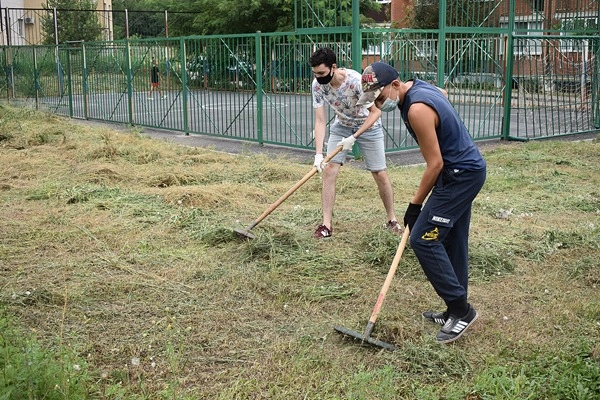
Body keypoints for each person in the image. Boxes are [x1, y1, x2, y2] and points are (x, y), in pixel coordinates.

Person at [357, 62, 487, 344]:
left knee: (423, 239)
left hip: (458, 175)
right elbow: (441, 92)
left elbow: (435, 163)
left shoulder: (416, 109)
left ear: (395, 84)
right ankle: (455, 306)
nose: (378, 104)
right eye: (374, 100)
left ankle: (461, 311)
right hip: (465, 170)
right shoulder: (419, 88)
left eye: (380, 98)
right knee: (451, 238)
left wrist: (415, 207)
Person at [309, 47, 401, 239]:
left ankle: (392, 220)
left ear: (333, 67)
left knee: (379, 173)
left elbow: (375, 113)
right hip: (341, 125)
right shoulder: (317, 86)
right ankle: (326, 225)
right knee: (329, 169)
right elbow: (319, 120)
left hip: (368, 125)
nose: (318, 77)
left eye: (322, 73)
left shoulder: (354, 81)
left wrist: (355, 137)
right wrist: (319, 154)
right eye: (315, 73)